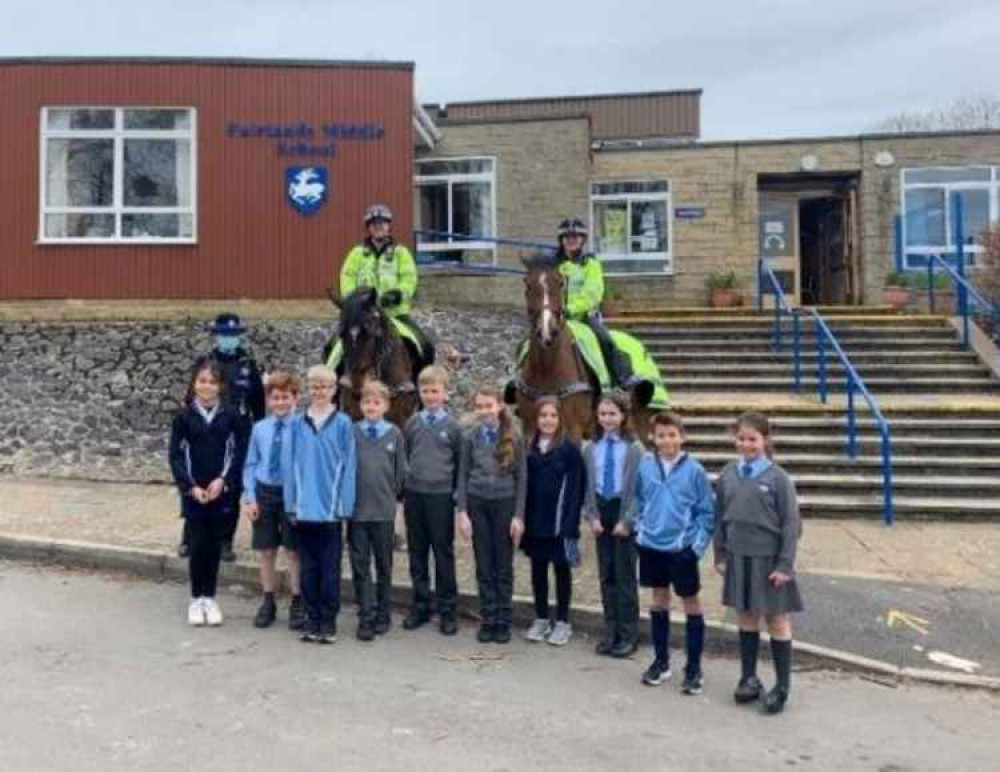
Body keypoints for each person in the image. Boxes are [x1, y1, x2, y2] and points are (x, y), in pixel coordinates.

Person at [714, 412, 803, 714]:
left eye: (752, 439)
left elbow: (791, 526)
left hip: (769, 560)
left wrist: (785, 566)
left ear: (765, 440)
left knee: (776, 619)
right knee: (746, 615)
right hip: (738, 556)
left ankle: (782, 686)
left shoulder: (779, 478)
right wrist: (721, 555)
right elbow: (720, 518)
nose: (746, 444)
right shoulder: (728, 473)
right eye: (741, 438)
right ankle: (749, 677)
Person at [633, 412, 715, 695]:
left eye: (672, 434)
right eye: (661, 435)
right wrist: (640, 531)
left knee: (691, 602)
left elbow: (707, 514)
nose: (667, 440)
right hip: (652, 546)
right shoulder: (645, 466)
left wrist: (697, 548)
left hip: (682, 550)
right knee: (658, 599)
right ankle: (661, 661)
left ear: (682, 436)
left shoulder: (695, 471)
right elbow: (638, 500)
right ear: (653, 438)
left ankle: (693, 668)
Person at [179, 312, 266, 562]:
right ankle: (190, 538)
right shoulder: (204, 362)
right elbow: (190, 398)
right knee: (198, 483)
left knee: (230, 487)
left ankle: (225, 541)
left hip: (238, 434)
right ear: (216, 336)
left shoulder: (248, 365)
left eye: (233, 335)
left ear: (239, 336)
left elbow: (258, 404)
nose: (229, 339)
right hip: (207, 432)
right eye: (224, 335)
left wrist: (257, 435)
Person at [168, 361, 247, 627]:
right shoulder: (183, 417)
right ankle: (195, 599)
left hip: (219, 493)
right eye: (202, 381)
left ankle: (210, 598)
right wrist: (190, 487)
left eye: (212, 382)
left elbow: (238, 453)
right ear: (194, 384)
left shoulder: (232, 416)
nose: (207, 386)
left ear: (220, 386)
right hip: (194, 493)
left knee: (214, 546)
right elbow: (176, 456)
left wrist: (223, 481)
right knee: (197, 545)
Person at [283, 365, 357, 645]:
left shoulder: (343, 423)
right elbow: (288, 466)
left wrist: (344, 506)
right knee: (308, 568)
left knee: (330, 568)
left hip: (330, 511)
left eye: (325, 387)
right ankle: (311, 617)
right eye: (315, 387)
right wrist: (291, 503)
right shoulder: (296, 423)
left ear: (334, 389)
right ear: (309, 389)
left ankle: (328, 620)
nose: (320, 391)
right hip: (303, 510)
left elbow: (349, 466)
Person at [456, 384, 527, 645]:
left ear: (499, 406)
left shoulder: (514, 437)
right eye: (479, 407)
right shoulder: (470, 437)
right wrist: (462, 512)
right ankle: (488, 618)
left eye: (489, 406)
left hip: (504, 504)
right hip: (477, 505)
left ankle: (503, 620)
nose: (484, 411)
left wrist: (518, 516)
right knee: (484, 564)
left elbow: (522, 479)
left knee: (503, 565)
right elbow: (462, 476)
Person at [241, 369, 305, 631]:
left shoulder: (303, 427)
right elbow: (250, 464)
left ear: (296, 398)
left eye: (286, 397)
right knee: (266, 550)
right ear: (268, 400)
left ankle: (297, 600)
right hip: (264, 492)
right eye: (276, 397)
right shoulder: (260, 428)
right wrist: (250, 498)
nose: (280, 402)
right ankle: (268, 600)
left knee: (293, 551)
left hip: (291, 494)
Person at [401, 365, 463, 636]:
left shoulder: (453, 427)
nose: (430, 396)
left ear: (445, 394)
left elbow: (460, 464)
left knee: (443, 553)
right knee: (417, 552)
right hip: (415, 495)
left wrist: (457, 499)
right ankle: (421, 605)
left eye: (435, 391)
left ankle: (448, 609)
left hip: (441, 497)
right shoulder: (412, 423)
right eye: (425, 391)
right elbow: (405, 457)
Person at [582, 392, 644, 658]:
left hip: (623, 513)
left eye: (612, 414)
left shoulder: (634, 448)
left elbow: (640, 489)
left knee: (625, 577)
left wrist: (627, 520)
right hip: (601, 512)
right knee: (606, 575)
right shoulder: (590, 447)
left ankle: (629, 635)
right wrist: (592, 516)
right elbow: (587, 486)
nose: (607, 419)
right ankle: (611, 631)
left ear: (623, 416)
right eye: (603, 414)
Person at [339, 204, 435, 373]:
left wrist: (396, 295)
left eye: (382, 223)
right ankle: (335, 391)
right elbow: (347, 278)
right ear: (368, 228)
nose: (379, 227)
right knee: (333, 349)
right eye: (374, 224)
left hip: (395, 315)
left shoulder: (401, 253)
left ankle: (421, 388)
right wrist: (356, 302)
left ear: (389, 226)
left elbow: (409, 279)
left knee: (425, 345)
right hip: (363, 317)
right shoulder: (356, 254)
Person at [522, 396, 586, 647]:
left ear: (560, 419)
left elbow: (576, 489)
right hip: (535, 522)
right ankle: (540, 618)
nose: (548, 420)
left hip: (560, 524)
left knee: (561, 571)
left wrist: (571, 523)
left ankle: (562, 621)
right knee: (538, 571)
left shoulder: (570, 450)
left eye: (553, 416)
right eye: (543, 416)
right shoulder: (529, 448)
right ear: (535, 419)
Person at [350, 380, 407, 641]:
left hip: (383, 512)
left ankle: (383, 611)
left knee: (384, 565)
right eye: (366, 402)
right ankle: (366, 613)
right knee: (360, 565)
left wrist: (392, 501)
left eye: (376, 402)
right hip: (357, 513)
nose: (371, 406)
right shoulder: (352, 432)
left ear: (385, 405)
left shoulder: (394, 434)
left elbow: (399, 474)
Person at [554, 217, 638, 389]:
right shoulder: (554, 265)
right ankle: (517, 379)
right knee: (531, 339)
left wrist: (569, 309)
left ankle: (622, 377)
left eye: (575, 238)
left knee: (605, 339)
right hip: (557, 317)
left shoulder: (590, 264)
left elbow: (592, 294)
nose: (571, 241)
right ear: (561, 241)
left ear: (582, 240)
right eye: (567, 238)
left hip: (584, 317)